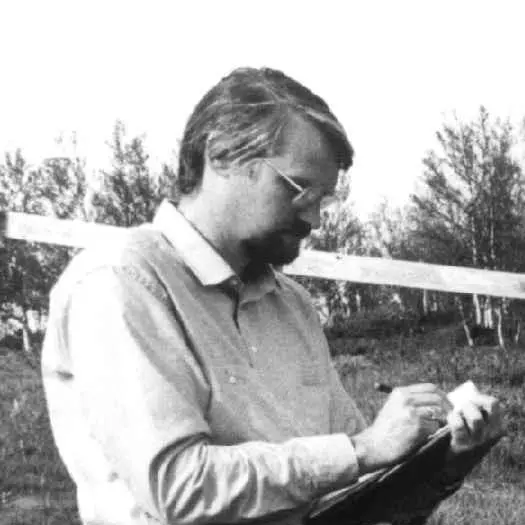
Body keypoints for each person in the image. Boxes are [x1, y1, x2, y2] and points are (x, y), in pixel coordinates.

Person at [41, 67, 503, 525]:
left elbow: (350, 500)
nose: (315, 219)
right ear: (221, 154)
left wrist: (441, 464)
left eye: (324, 200)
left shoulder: (292, 305)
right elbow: (177, 488)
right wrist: (362, 449)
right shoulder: (119, 281)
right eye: (299, 190)